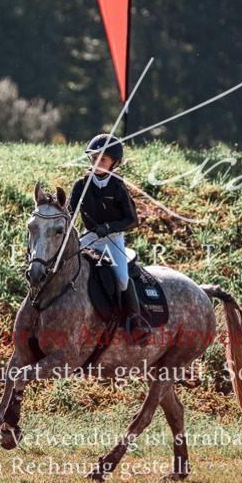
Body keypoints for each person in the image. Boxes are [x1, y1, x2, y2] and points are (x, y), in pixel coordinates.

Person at [68, 134, 153, 343]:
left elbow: (133, 220)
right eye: (94, 157)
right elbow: (70, 211)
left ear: (114, 163)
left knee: (122, 278)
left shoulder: (118, 187)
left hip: (112, 239)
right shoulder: (81, 185)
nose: (96, 163)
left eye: (103, 159)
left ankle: (136, 320)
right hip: (89, 238)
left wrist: (110, 227)